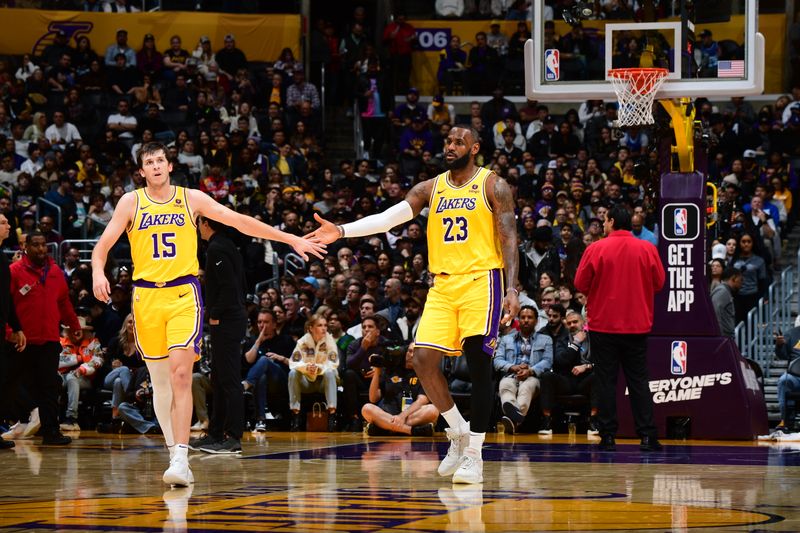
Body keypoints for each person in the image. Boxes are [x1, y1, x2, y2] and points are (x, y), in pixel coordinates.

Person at [91, 141, 325, 487]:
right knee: (161, 385)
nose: (156, 166)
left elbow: (241, 221)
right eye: (149, 162)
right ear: (141, 171)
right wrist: (98, 270)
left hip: (184, 293)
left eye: (161, 160)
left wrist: (288, 238)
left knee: (182, 375)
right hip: (145, 298)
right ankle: (174, 454)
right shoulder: (131, 202)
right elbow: (103, 245)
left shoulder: (191, 198)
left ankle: (182, 458)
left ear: (170, 166)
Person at [309, 125, 520, 484]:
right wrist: (341, 230)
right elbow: (389, 218)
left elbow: (510, 237)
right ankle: (457, 431)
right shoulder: (430, 187)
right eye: (448, 141)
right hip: (442, 284)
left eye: (459, 142)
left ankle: (475, 454)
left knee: (479, 362)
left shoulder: (492, 184)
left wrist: (512, 288)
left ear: (475, 148)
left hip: (482, 280)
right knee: (422, 359)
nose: (450, 147)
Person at [574, 205, 666, 452]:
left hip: (604, 326)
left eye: (605, 221)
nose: (603, 225)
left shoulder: (596, 248)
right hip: (637, 326)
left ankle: (608, 437)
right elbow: (659, 283)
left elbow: (580, 283)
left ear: (612, 221)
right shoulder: (647, 248)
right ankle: (647, 436)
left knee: (605, 382)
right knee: (639, 382)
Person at [11, 231, 80, 446]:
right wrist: (9, 331)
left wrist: (74, 324)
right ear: (26, 248)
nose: (41, 250)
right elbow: (6, 305)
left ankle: (51, 432)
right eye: (36, 246)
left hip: (49, 339)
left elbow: (63, 303)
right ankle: (27, 415)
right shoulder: (14, 271)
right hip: (21, 340)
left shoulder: (55, 272)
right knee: (12, 383)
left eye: (44, 246)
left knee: (50, 385)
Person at [191, 216, 248, 454]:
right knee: (218, 379)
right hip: (229, 318)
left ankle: (233, 437)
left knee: (230, 380)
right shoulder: (224, 245)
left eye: (199, 223)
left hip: (226, 320)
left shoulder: (217, 248)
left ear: (206, 224)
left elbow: (229, 286)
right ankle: (215, 433)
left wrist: (215, 313)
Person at [493, 305, 552, 434]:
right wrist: (512, 367)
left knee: (526, 388)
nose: (526, 320)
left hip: (533, 377)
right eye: (523, 317)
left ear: (536, 321)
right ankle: (516, 420)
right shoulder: (506, 339)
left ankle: (512, 417)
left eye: (530, 317)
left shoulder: (546, 339)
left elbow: (548, 361)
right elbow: (497, 361)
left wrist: (530, 370)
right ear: (518, 320)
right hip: (511, 375)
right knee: (505, 385)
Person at [362, 343, 439, 436]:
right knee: (366, 408)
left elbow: (422, 400)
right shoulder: (390, 370)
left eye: (416, 353)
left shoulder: (424, 374)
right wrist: (377, 370)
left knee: (433, 410)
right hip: (388, 413)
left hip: (409, 416)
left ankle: (385, 429)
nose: (411, 355)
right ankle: (410, 431)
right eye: (410, 351)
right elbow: (373, 398)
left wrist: (401, 416)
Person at [242, 309, 294, 431]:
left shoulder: (286, 340)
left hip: (281, 380)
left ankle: (246, 384)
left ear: (274, 324)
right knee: (262, 376)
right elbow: (248, 360)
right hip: (261, 382)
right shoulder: (253, 341)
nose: (262, 325)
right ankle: (261, 420)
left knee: (265, 360)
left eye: (266, 322)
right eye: (259, 322)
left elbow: (295, 364)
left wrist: (280, 358)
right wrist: (258, 342)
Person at [287, 314, 339, 431]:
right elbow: (293, 363)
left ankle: (332, 415)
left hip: (323, 383)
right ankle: (295, 415)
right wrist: (306, 367)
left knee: (330, 372)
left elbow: (333, 362)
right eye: (320, 325)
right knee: (293, 373)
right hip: (307, 383)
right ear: (311, 328)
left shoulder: (330, 341)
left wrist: (319, 368)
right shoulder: (302, 342)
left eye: (325, 325)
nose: (324, 328)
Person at [0, 213, 25, 449]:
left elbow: (6, 298)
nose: (9, 226)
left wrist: (16, 327)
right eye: (3, 222)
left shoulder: (2, 258)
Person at [711, 267, 742, 339]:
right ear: (734, 278)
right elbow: (715, 314)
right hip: (723, 338)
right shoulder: (722, 291)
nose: (741, 283)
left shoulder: (725, 291)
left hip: (726, 337)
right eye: (740, 279)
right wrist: (718, 337)